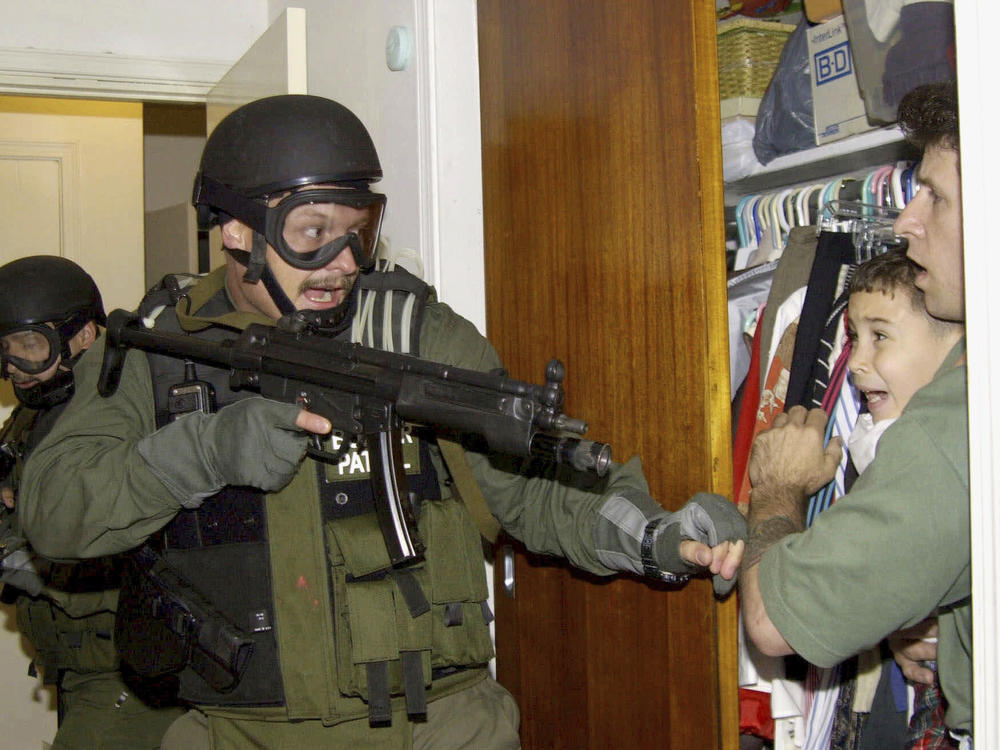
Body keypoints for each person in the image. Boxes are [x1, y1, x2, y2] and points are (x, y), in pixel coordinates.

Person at [17, 95, 747, 749]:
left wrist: (653, 535)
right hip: (243, 733)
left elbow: (532, 490)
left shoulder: (412, 335)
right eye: (312, 232)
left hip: (441, 727)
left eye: (357, 231)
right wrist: (200, 454)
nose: (342, 260)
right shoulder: (154, 353)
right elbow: (54, 516)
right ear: (238, 231)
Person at [739, 78, 972, 745]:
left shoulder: (959, 419)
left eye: (937, 196)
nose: (906, 220)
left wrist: (778, 488)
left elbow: (773, 621)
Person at [0, 255, 186, 749]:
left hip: (129, 672)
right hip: (77, 668)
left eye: (29, 346)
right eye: (3, 350)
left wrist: (24, 541)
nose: (13, 367)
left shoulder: (117, 405)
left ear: (84, 334)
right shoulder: (37, 413)